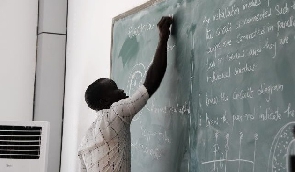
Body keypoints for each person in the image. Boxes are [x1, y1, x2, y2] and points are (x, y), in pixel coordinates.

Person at [78, 16, 173, 172]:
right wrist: (163, 39)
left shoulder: (86, 141)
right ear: (104, 101)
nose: (121, 90)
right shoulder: (115, 114)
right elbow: (151, 83)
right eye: (115, 89)